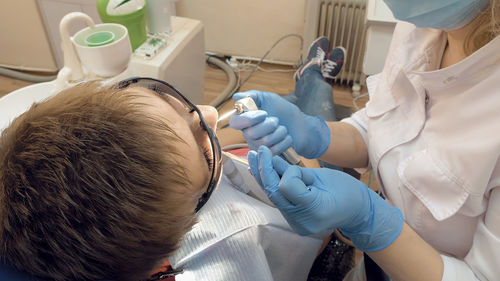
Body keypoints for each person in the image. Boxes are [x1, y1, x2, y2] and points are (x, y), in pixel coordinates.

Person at [0, 49, 345, 281]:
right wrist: (302, 156)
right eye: (205, 149)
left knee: (289, 107)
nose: (210, 111)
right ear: (184, 223)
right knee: (315, 104)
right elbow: (327, 226)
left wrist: (214, 147)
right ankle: (314, 77)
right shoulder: (231, 249)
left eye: (163, 95)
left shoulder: (165, 197)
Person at [229, 1, 500, 281]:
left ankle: (312, 75)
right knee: (314, 97)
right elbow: (382, 124)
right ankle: (313, 76)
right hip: (373, 267)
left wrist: (368, 219)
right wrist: (314, 133)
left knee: (315, 93)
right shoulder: (422, 27)